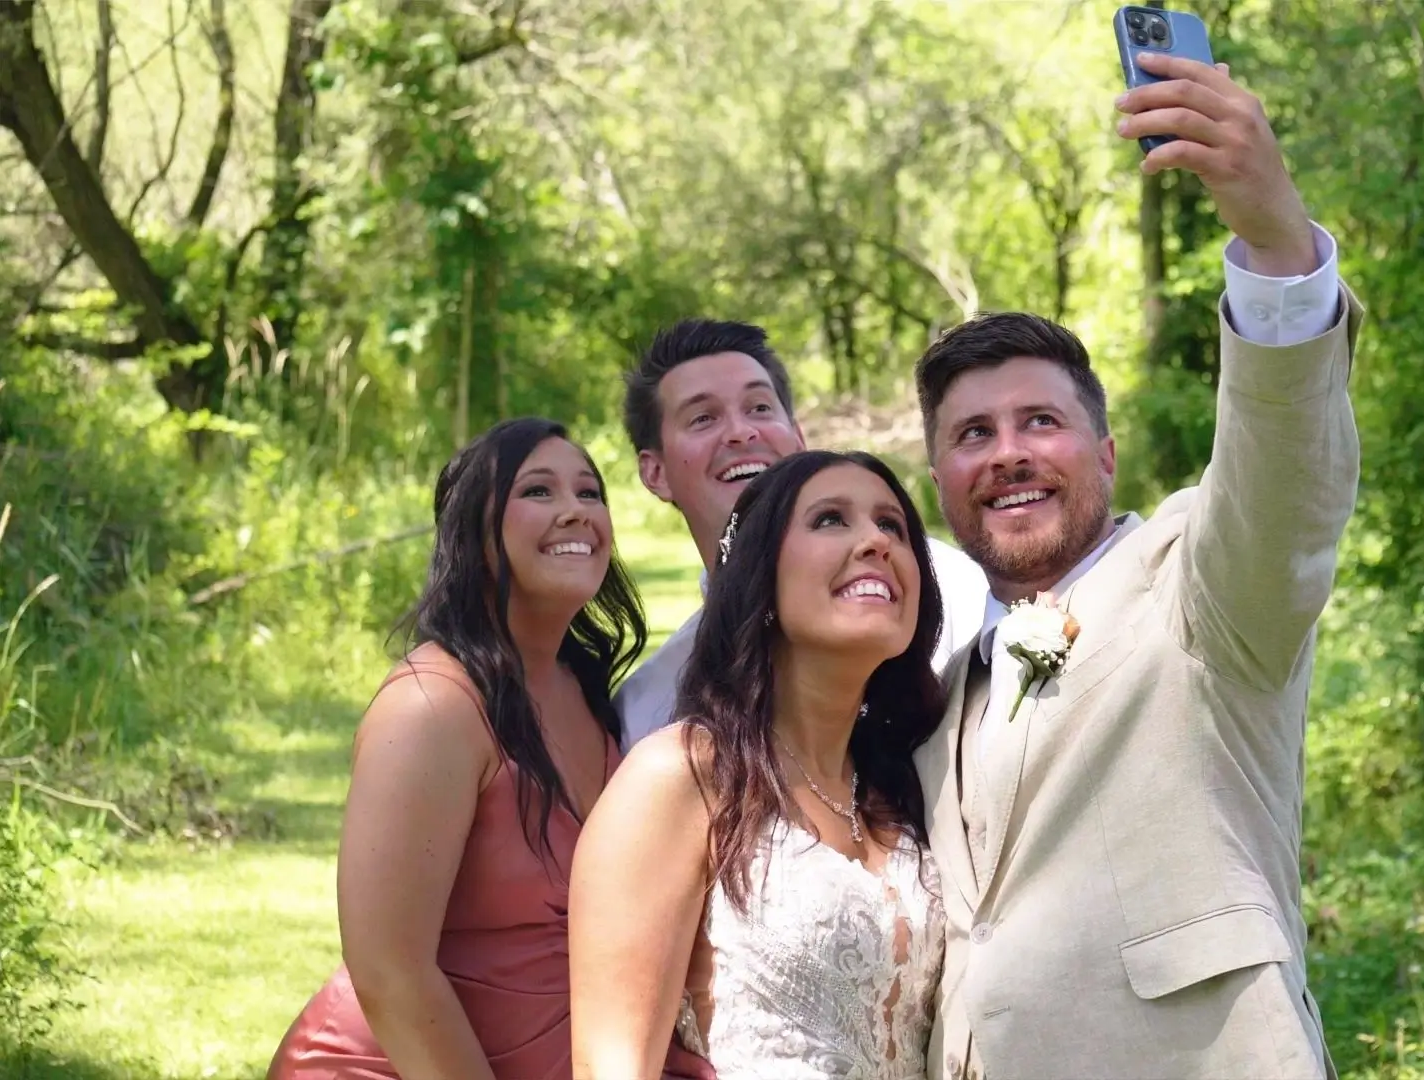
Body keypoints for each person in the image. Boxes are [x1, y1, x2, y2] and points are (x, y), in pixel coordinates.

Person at [912, 52, 1360, 1080]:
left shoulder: (1200, 588)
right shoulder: (932, 679)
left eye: (1040, 422)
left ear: (1105, 456)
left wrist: (1277, 245)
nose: (1008, 452)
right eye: (972, 434)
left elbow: (1284, 479)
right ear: (940, 476)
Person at [269, 418, 704, 1080]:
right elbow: (390, 973)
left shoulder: (580, 688)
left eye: (590, 493)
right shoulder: (431, 707)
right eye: (538, 492)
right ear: (476, 534)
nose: (574, 512)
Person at [571, 450, 949, 1080]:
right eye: (830, 520)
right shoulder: (682, 775)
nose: (875, 542)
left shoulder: (904, 782)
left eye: (894, 526)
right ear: (759, 578)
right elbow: (612, 1065)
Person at [612, 320, 988, 747]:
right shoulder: (649, 710)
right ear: (655, 472)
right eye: (703, 418)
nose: (741, 432)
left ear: (798, 438)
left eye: (759, 408)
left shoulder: (947, 590)